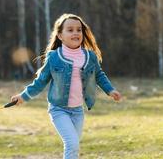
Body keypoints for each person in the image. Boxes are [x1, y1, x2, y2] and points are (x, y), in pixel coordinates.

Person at [11, 13, 122, 159]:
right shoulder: (54, 57)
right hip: (58, 109)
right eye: (70, 30)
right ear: (60, 35)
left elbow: (99, 75)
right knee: (72, 144)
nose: (75, 33)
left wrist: (110, 90)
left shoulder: (90, 57)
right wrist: (23, 96)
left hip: (78, 111)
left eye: (79, 30)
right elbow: (40, 81)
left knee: (74, 147)